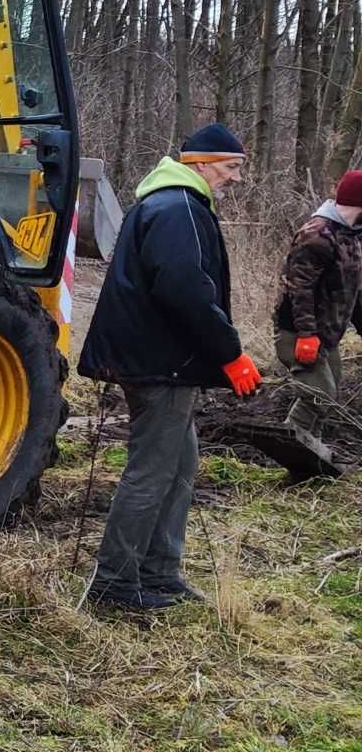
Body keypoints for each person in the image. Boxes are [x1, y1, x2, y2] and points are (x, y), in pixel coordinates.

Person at [77, 123, 260, 614]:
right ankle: (113, 586)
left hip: (162, 361)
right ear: (199, 163)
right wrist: (229, 353)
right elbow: (184, 290)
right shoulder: (178, 207)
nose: (235, 178)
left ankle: (159, 573)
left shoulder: (173, 203)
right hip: (161, 364)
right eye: (230, 167)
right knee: (151, 472)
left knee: (180, 466)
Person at [275, 168, 362, 432]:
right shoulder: (316, 235)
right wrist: (306, 334)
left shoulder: (352, 236)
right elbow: (299, 288)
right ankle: (288, 449)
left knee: (328, 399)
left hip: (327, 335)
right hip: (298, 333)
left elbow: (354, 291)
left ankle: (311, 463)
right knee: (318, 397)